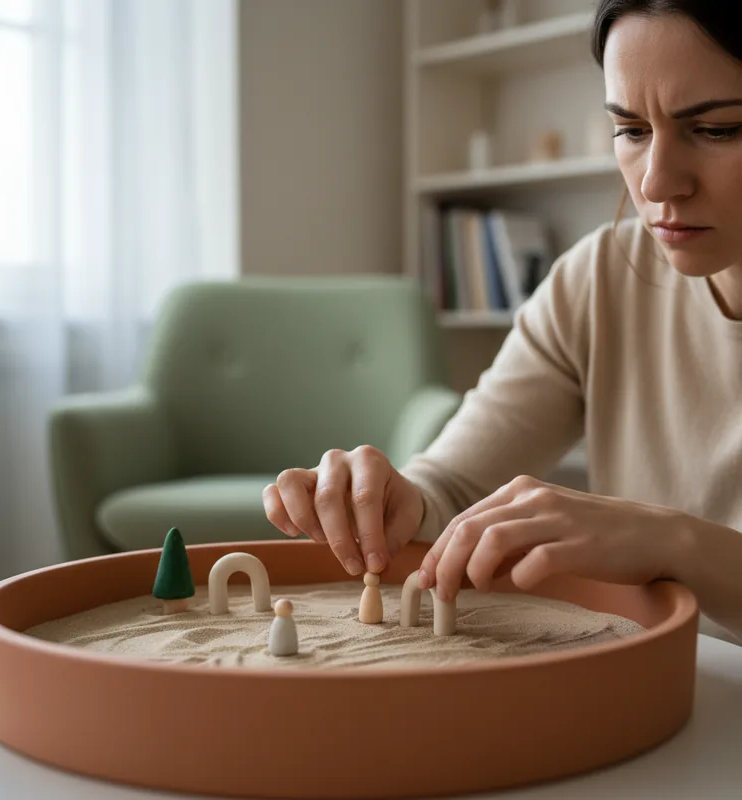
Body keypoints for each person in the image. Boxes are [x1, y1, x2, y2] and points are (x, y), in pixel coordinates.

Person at [262, 0, 742, 645]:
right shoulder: (599, 275)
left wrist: (675, 541)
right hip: (650, 682)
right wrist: (396, 502)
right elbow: (456, 485)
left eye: (717, 129)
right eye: (630, 130)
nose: (655, 183)